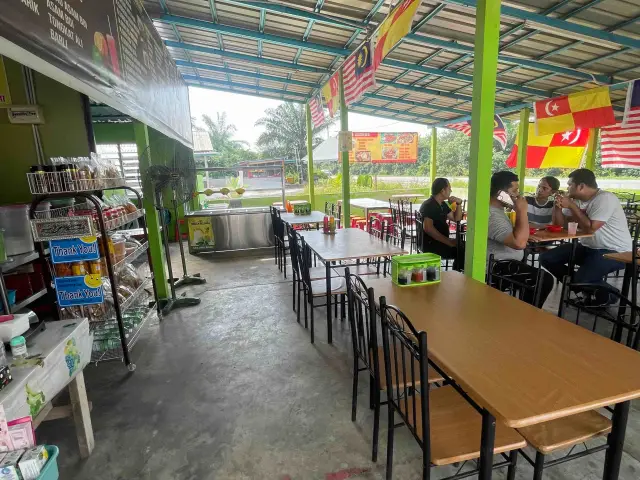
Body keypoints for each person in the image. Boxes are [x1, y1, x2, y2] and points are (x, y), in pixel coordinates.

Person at [540, 169, 631, 298]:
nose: (567, 188)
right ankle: (579, 283)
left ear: (581, 186)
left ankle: (611, 296)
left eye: (570, 184)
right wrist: (558, 206)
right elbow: (560, 225)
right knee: (546, 258)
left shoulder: (605, 198)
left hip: (615, 251)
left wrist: (571, 205)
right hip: (588, 247)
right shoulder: (576, 200)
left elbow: (590, 229)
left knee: (581, 280)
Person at [487, 171, 554, 307]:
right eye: (515, 190)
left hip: (505, 261)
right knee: (543, 280)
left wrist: (524, 234)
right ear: (501, 193)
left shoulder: (497, 211)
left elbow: (514, 236)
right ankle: (528, 318)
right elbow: (519, 243)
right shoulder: (491, 214)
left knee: (535, 276)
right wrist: (522, 211)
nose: (518, 195)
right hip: (495, 267)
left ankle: (523, 312)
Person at [419, 178, 464, 270]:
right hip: (432, 246)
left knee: (464, 245)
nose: (451, 191)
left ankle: (457, 272)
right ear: (442, 190)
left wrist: (458, 204)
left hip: (439, 243)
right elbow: (428, 228)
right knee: (464, 250)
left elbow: (457, 218)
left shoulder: (442, 204)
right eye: (449, 188)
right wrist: (448, 241)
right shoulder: (429, 205)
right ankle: (458, 274)